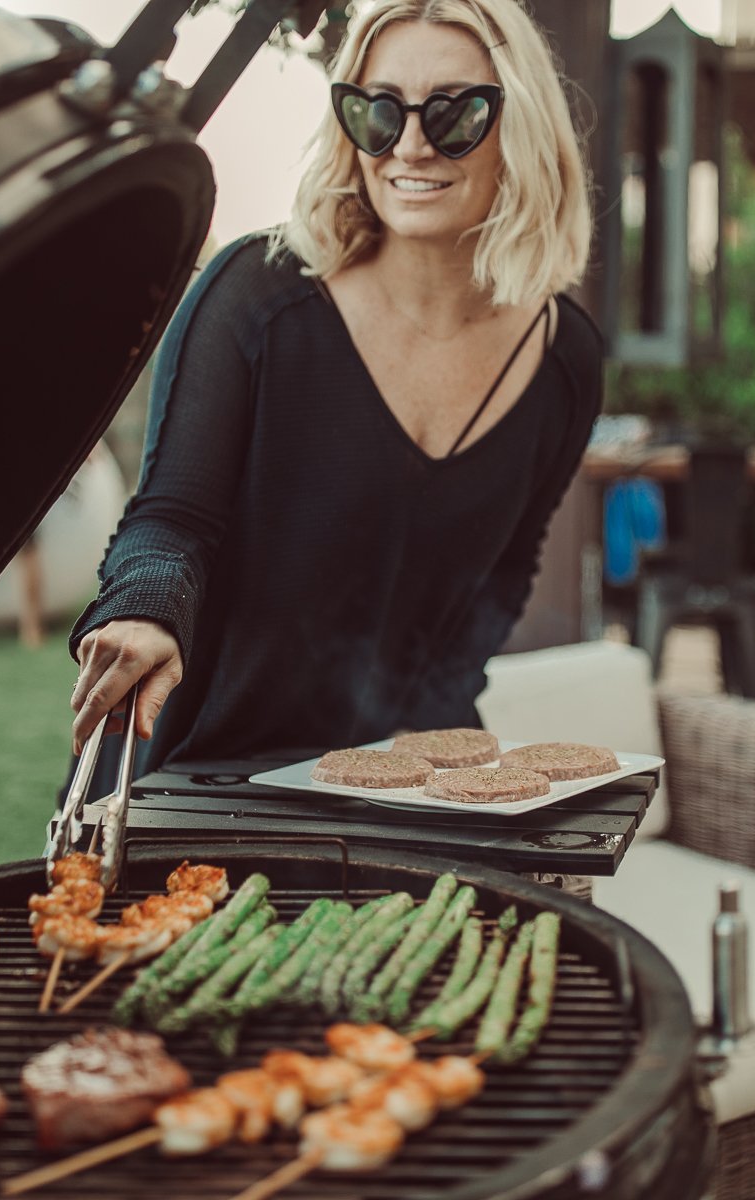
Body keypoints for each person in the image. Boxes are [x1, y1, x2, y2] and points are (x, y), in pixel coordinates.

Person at [67, 0, 599, 771]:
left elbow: (505, 575)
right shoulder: (256, 296)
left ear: (520, 129)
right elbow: (172, 518)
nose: (410, 146)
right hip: (202, 771)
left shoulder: (565, 359)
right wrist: (148, 609)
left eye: (454, 114)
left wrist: (436, 708)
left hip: (407, 784)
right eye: (378, 112)